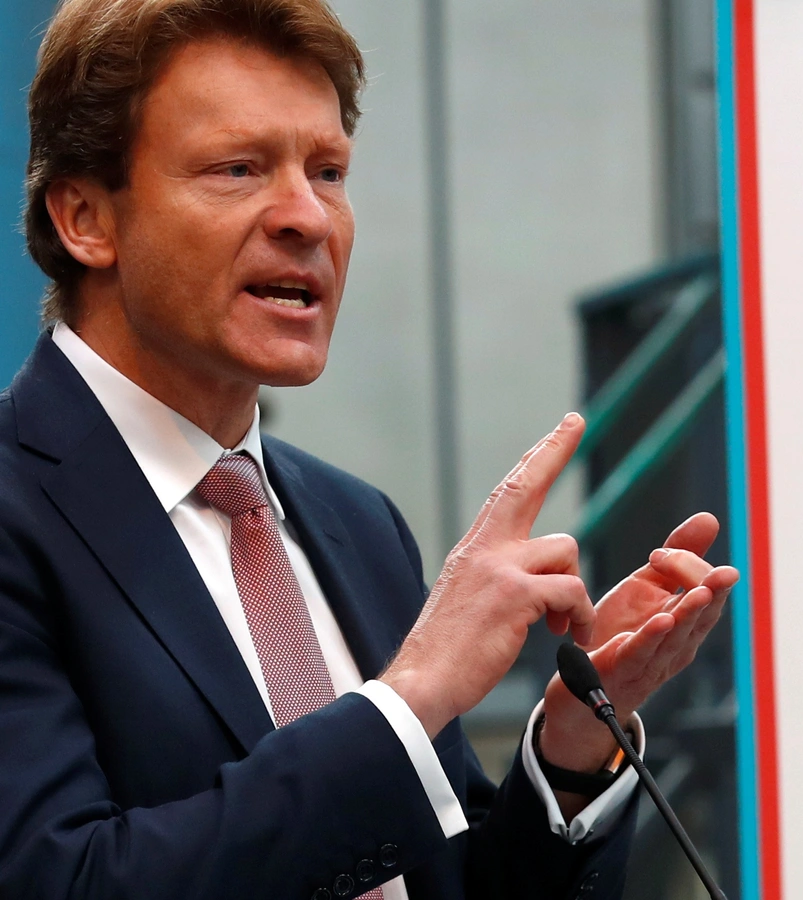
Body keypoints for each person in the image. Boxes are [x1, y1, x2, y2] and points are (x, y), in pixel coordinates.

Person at [0, 1, 738, 898]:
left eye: (330, 171)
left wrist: (576, 744)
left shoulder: (357, 524)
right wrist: (413, 693)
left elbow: (453, 883)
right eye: (238, 168)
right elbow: (60, 880)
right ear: (85, 219)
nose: (308, 218)